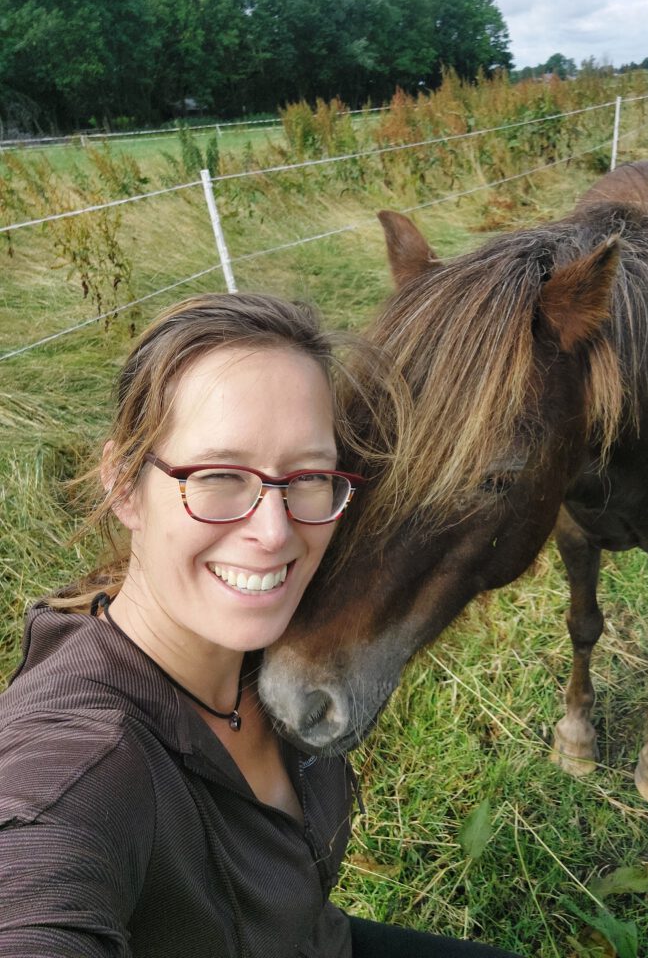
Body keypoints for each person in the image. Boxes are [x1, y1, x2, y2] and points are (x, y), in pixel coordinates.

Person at [0, 292, 520, 958]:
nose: (274, 533)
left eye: (306, 476)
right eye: (218, 475)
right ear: (125, 485)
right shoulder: (81, 765)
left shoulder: (287, 644)